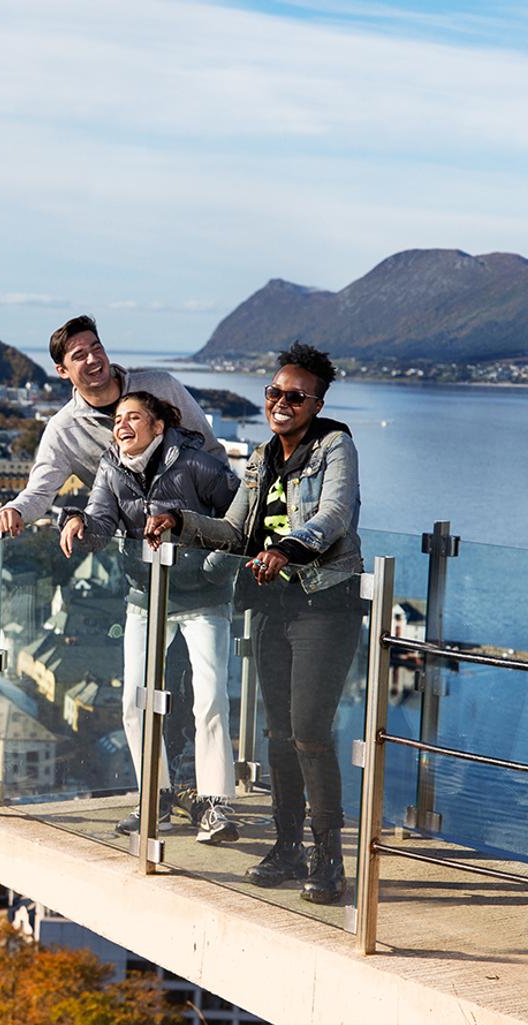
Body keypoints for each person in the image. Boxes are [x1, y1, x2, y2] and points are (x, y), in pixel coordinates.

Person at [147, 343, 363, 904]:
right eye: (274, 393)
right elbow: (234, 531)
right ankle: (287, 846)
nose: (282, 403)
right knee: (276, 735)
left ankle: (328, 858)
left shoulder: (335, 445)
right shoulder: (262, 457)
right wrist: (179, 521)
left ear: (317, 403)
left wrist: (290, 548)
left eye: (296, 396)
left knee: (311, 734)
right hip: (272, 609)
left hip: (325, 606)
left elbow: (334, 513)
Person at [61, 390, 239, 841]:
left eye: (133, 417)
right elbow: (102, 522)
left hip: (203, 596)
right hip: (147, 594)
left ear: (158, 427)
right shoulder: (111, 467)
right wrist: (77, 521)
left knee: (211, 698)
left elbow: (241, 519)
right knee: (135, 701)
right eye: (118, 418)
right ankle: (155, 799)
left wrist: (215, 567)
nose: (121, 425)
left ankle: (217, 805)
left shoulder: (198, 464)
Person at [0, 315, 226, 539]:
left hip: (201, 544)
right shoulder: (63, 430)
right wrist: (15, 510)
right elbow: (40, 492)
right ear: (62, 371)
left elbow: (212, 452)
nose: (93, 359)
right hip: (138, 556)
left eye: (96, 348)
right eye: (80, 355)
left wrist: (223, 530)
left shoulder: (162, 387)